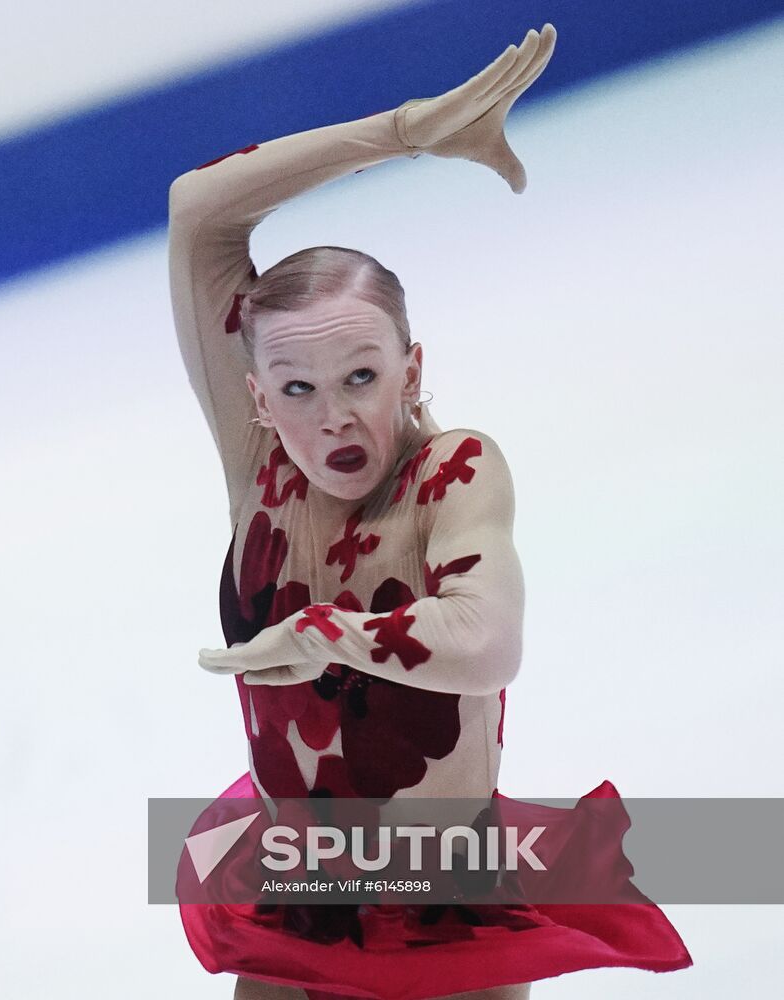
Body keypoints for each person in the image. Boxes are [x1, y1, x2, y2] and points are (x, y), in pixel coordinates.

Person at [168, 22, 692, 1000]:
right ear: (255, 397)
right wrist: (407, 131)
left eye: (362, 375)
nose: (335, 417)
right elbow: (198, 210)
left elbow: (486, 640)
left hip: (446, 912)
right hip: (303, 895)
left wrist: (328, 632)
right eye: (298, 388)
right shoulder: (260, 471)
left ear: (413, 368)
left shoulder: (454, 473)